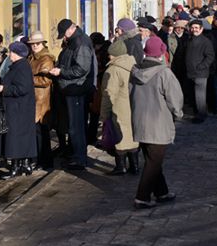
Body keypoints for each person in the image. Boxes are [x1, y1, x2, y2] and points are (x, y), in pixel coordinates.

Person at [130, 37, 183, 209]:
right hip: (158, 123)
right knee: (154, 162)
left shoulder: (135, 71)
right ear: (161, 52)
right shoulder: (164, 73)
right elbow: (175, 99)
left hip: (140, 121)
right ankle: (142, 197)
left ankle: (162, 192)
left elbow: (130, 96)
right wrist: (178, 113)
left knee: (153, 159)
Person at [49, 19, 96, 170]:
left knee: (76, 126)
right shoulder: (76, 41)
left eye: (64, 34)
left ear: (71, 29)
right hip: (72, 88)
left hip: (76, 89)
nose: (64, 38)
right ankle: (77, 156)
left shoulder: (80, 43)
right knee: (75, 125)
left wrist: (61, 71)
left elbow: (81, 69)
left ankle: (79, 159)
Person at [0, 42, 38, 178]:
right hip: (20, 108)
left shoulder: (21, 67)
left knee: (15, 137)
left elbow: (22, 88)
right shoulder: (20, 66)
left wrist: (4, 89)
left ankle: (16, 166)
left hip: (18, 108)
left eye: (11, 52)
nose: (9, 54)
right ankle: (24, 164)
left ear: (16, 54)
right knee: (21, 136)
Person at [100, 40, 139, 175]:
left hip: (119, 108)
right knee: (132, 137)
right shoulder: (134, 65)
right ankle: (135, 166)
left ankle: (120, 167)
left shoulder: (113, 70)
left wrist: (103, 115)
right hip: (133, 106)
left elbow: (108, 94)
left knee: (119, 137)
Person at [27, 31, 55, 169]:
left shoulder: (46, 59)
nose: (34, 46)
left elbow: (46, 80)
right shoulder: (31, 58)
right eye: (32, 44)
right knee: (37, 132)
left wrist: (28, 80)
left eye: (37, 44)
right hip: (33, 97)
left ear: (42, 43)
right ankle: (38, 159)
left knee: (42, 132)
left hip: (41, 99)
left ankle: (45, 161)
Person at [185, 19, 215, 124]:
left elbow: (210, 57)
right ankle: (197, 112)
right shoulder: (189, 39)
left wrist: (201, 66)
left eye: (196, 28)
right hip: (190, 72)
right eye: (192, 28)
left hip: (200, 72)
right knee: (193, 95)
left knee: (200, 95)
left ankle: (201, 114)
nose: (194, 30)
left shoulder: (205, 41)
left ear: (201, 29)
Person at [168, 20, 190, 101]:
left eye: (182, 28)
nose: (179, 29)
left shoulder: (187, 37)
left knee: (185, 82)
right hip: (174, 63)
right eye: (177, 28)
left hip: (185, 63)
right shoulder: (170, 37)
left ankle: (185, 98)